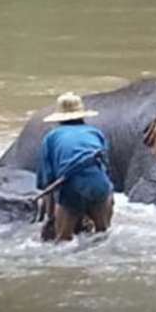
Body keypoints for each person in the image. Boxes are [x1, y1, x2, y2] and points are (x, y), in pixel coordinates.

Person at [37, 92, 113, 242]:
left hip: (69, 187)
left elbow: (48, 182)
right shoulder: (95, 133)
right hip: (99, 187)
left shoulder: (51, 137)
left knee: (63, 241)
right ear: (82, 115)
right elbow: (104, 168)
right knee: (102, 236)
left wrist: (50, 217)